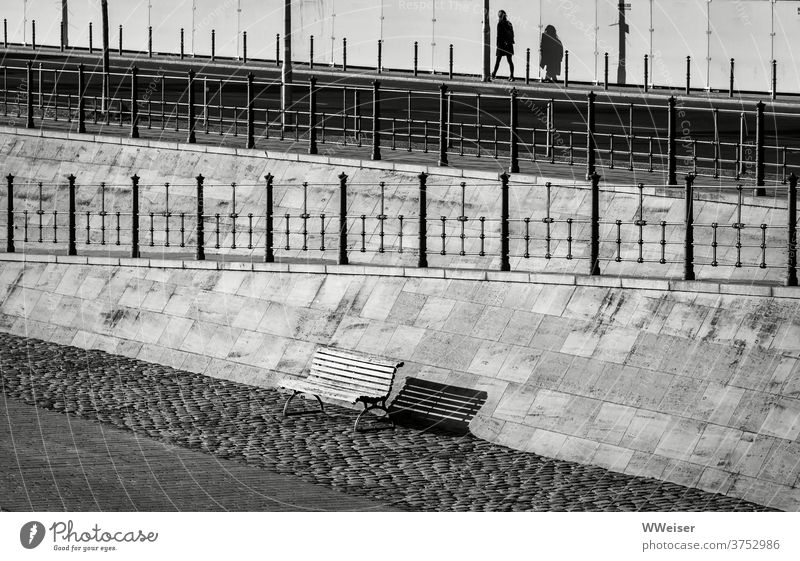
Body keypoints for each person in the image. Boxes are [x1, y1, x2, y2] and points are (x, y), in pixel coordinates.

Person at [491, 10, 515, 81]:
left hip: (501, 45)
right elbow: (512, 34)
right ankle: (511, 76)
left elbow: (499, 35)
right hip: (509, 44)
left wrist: (497, 45)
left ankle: (493, 74)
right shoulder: (509, 23)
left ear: (499, 16)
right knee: (510, 61)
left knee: (498, 61)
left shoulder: (500, 24)